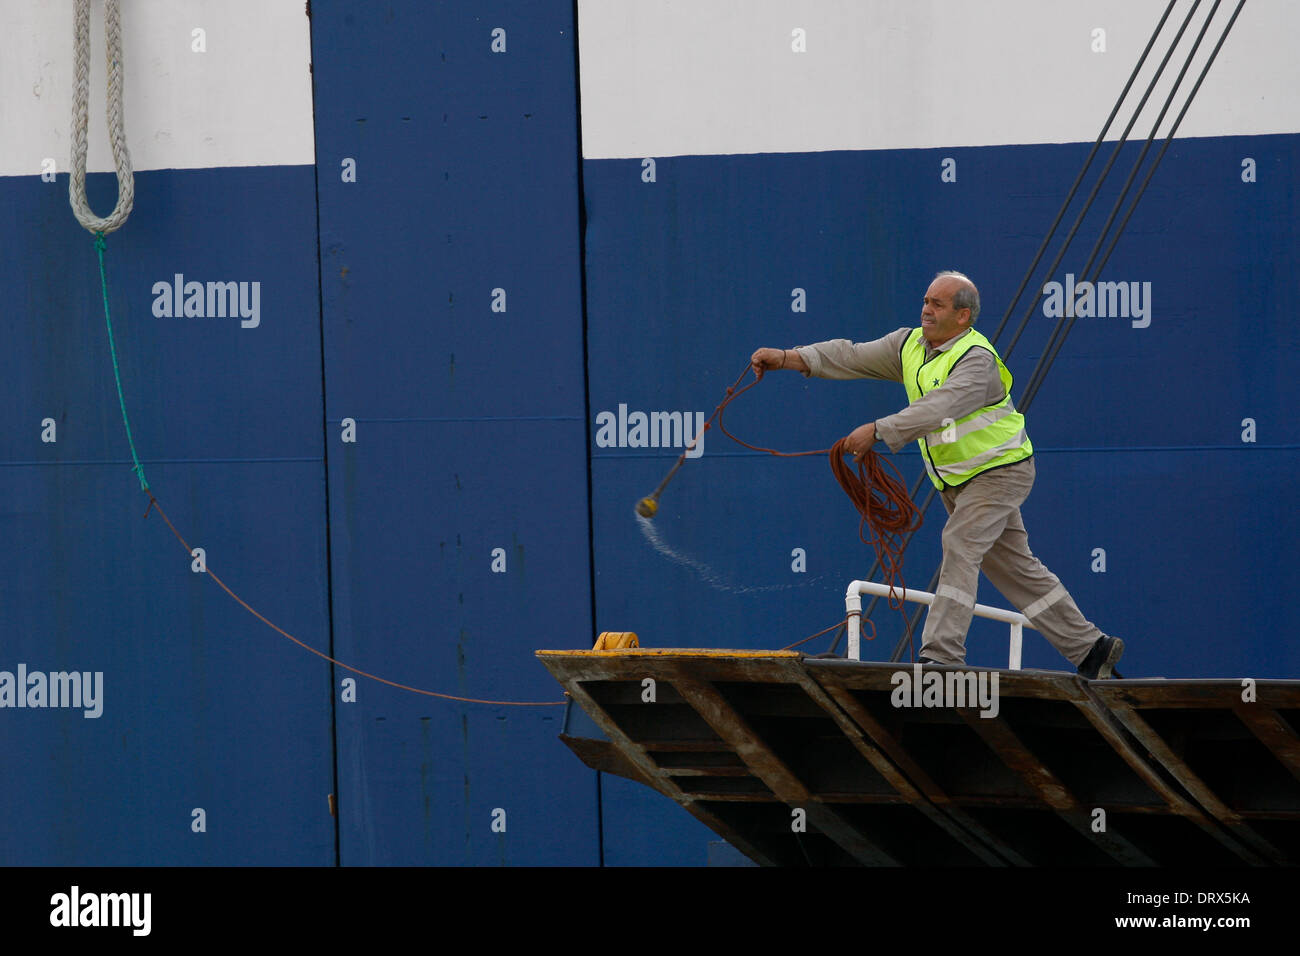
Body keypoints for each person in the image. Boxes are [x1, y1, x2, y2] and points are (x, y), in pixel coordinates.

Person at [750, 270, 1123, 678]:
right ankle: (1092, 648)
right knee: (1016, 569)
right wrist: (787, 358)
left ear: (963, 316)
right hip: (958, 481)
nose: (926, 310)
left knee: (960, 542)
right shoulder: (909, 344)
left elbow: (936, 408)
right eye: (926, 301)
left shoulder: (977, 361)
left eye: (937, 304)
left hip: (999, 473)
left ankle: (942, 657)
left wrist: (877, 430)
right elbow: (851, 354)